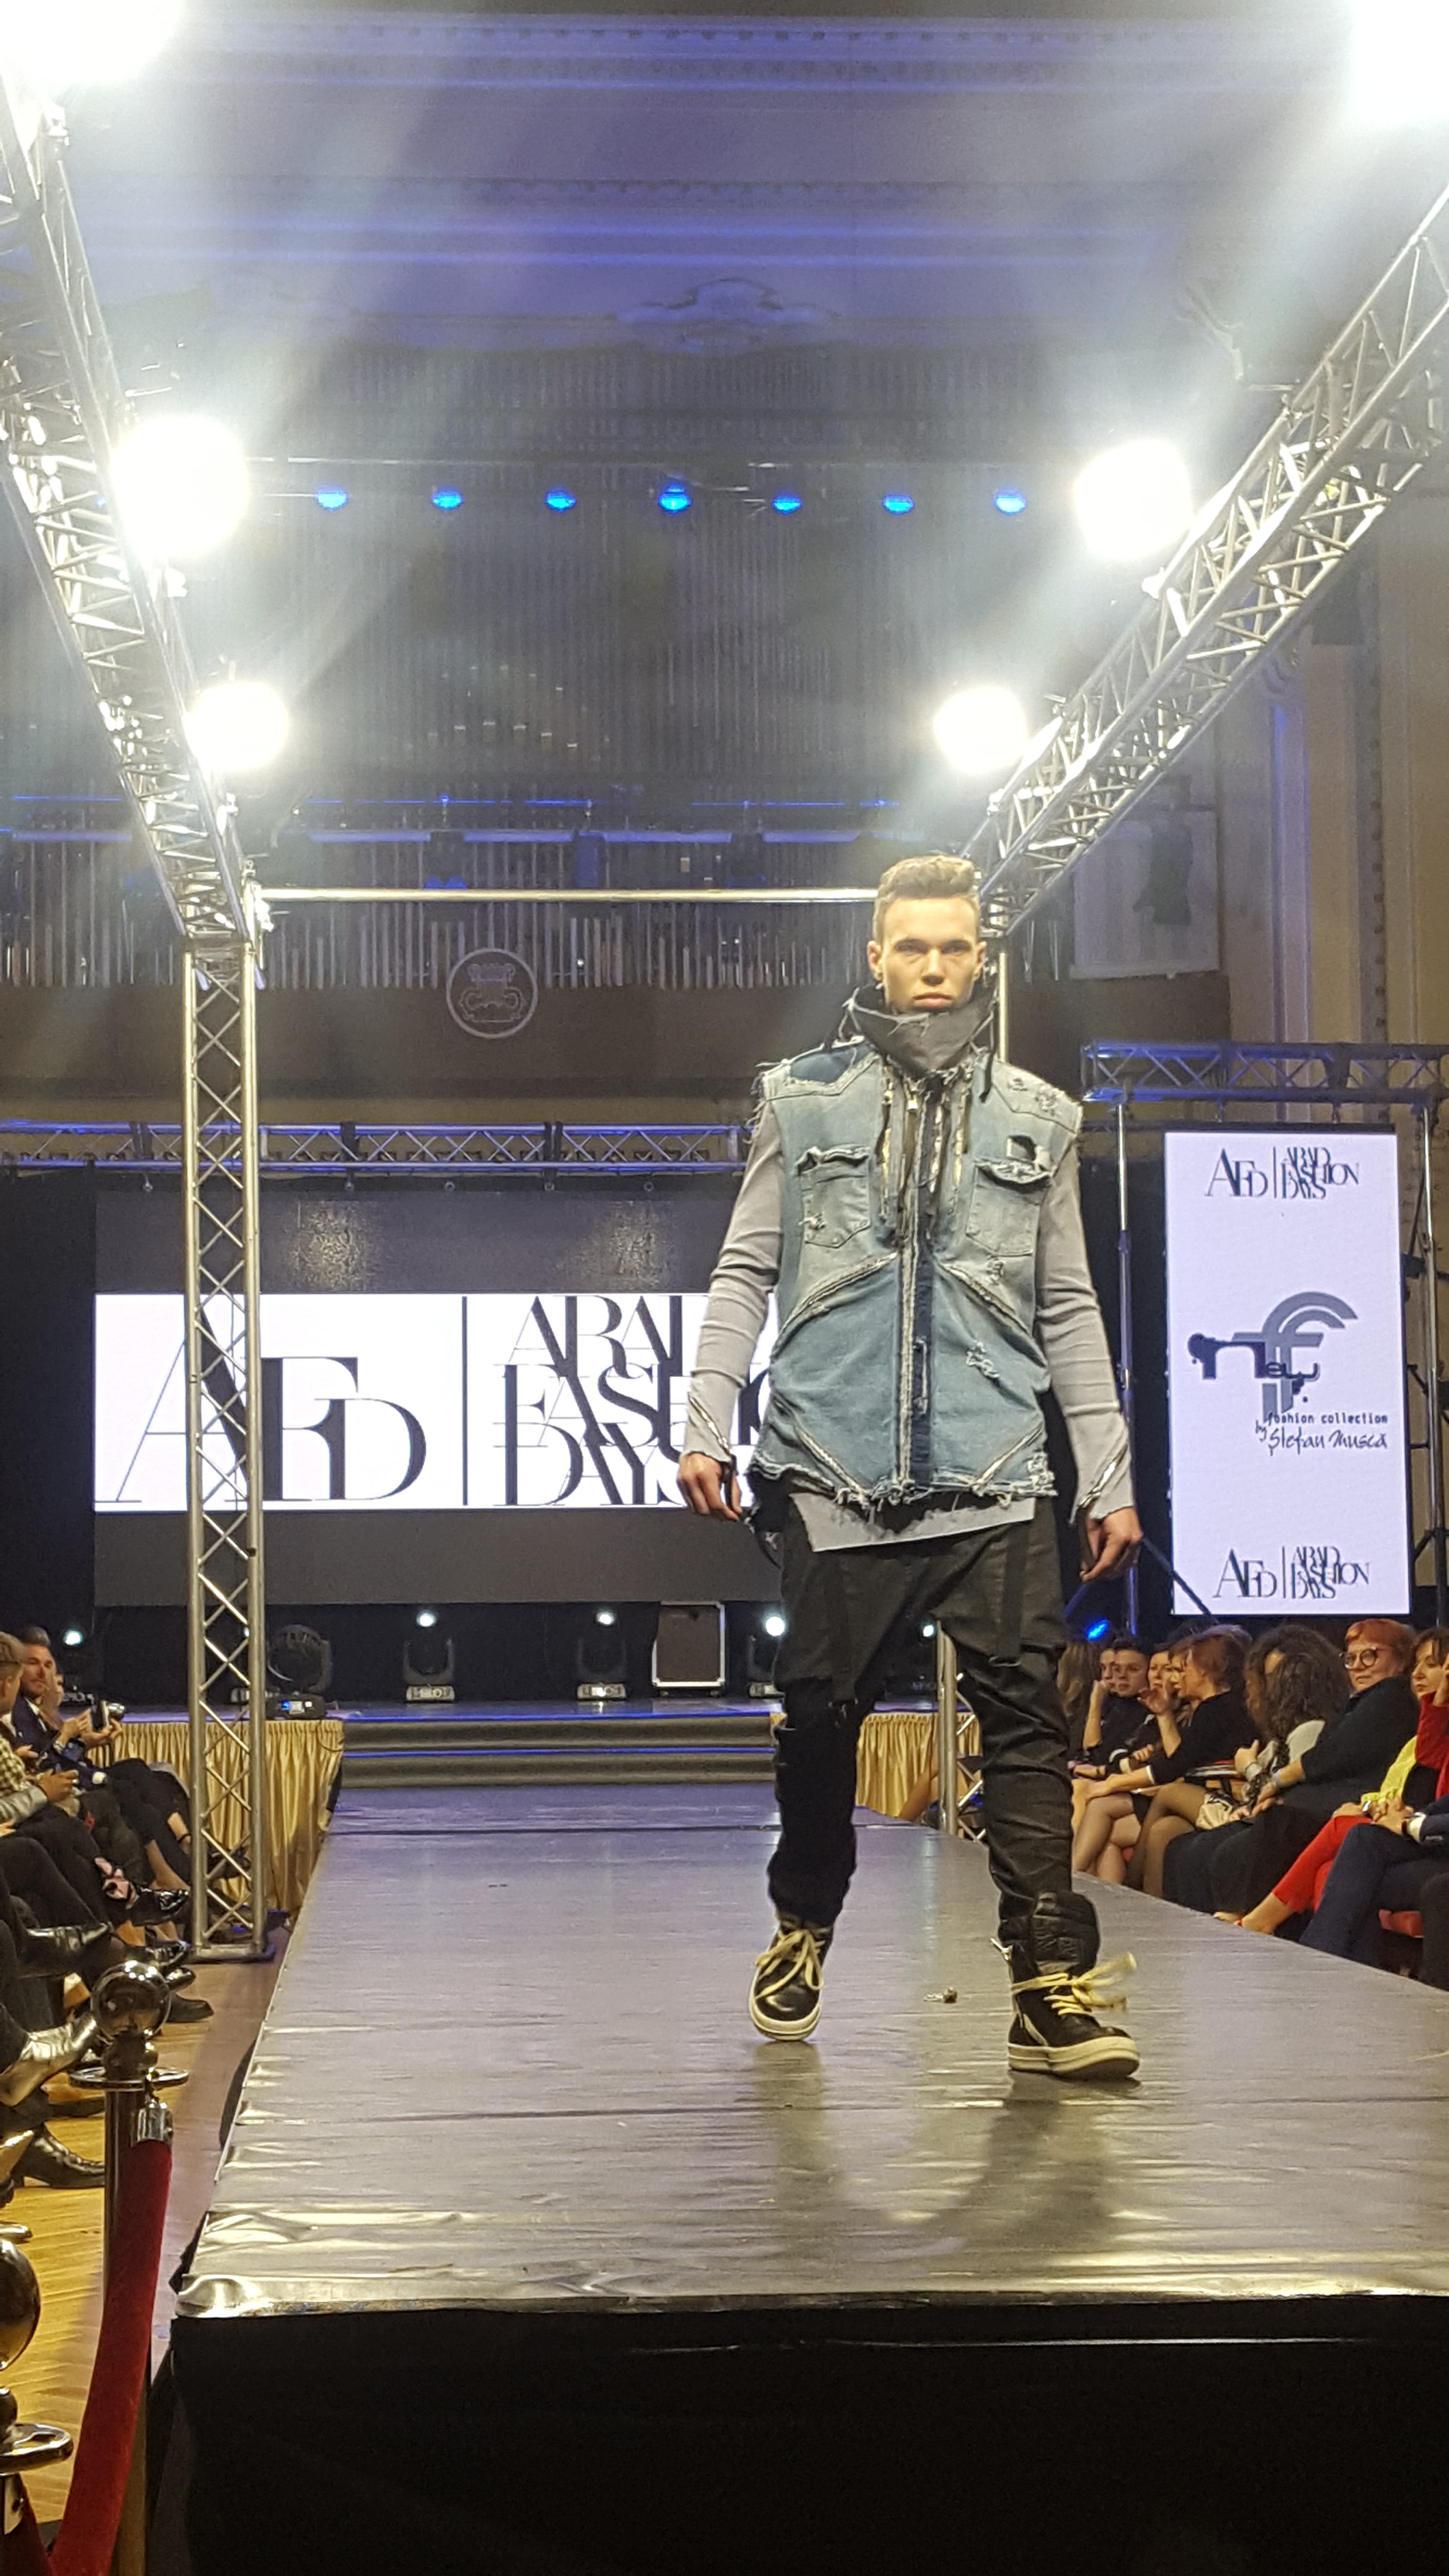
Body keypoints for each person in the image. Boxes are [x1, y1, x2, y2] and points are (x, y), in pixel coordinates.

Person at [679, 850, 1143, 2079]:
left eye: (954, 948)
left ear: (980, 957)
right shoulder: (801, 1100)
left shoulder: (1039, 1117)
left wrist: (1107, 1474)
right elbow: (745, 1267)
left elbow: (1066, 1304)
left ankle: (1046, 1983)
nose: (933, 968)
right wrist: (704, 1417)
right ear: (876, 957)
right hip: (833, 1465)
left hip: (998, 1462)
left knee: (1027, 1723)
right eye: (913, 948)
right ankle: (803, 1921)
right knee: (818, 1719)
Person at [1226, 1627, 1449, 1939]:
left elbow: (1334, 1759)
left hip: (1431, 1838)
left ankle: (1276, 1930)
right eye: (1418, 1664)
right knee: (1329, 1866)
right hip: (1415, 1825)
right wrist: (1439, 1703)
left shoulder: (1391, 1699)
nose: (1418, 1674)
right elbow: (1428, 1756)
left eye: (1434, 1665)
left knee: (1346, 1833)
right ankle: (1326, 1956)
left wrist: (1406, 1821)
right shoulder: (1421, 1731)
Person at [1190, 1618, 1417, 1919]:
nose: (1359, 1666)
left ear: (1401, 1659)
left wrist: (1277, 1782)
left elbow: (1332, 1755)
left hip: (1355, 1802)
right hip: (1316, 1801)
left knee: (1244, 1842)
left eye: (1370, 1655)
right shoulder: (1358, 1703)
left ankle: (1245, 1923)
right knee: (1199, 1848)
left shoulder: (1392, 1694)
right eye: (1351, 1658)